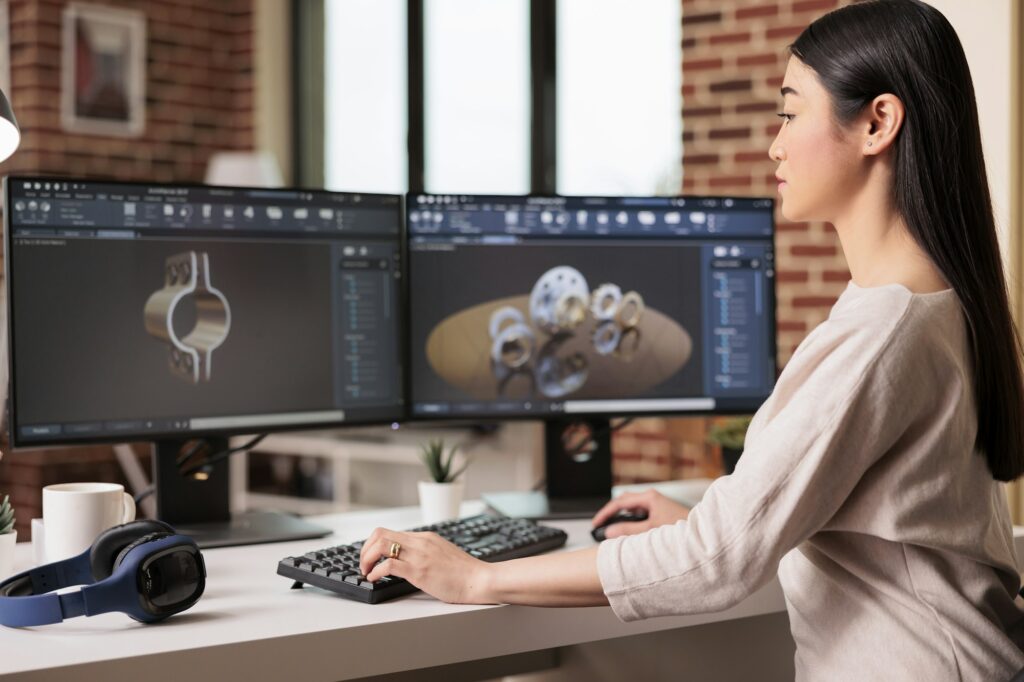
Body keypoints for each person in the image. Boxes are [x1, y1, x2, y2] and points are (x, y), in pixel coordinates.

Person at [359, 1, 1024, 678]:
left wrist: (478, 578)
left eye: (791, 112)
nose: (775, 144)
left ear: (877, 123)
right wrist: (706, 509)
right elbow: (860, 502)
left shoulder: (883, 332)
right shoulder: (929, 303)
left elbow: (717, 562)